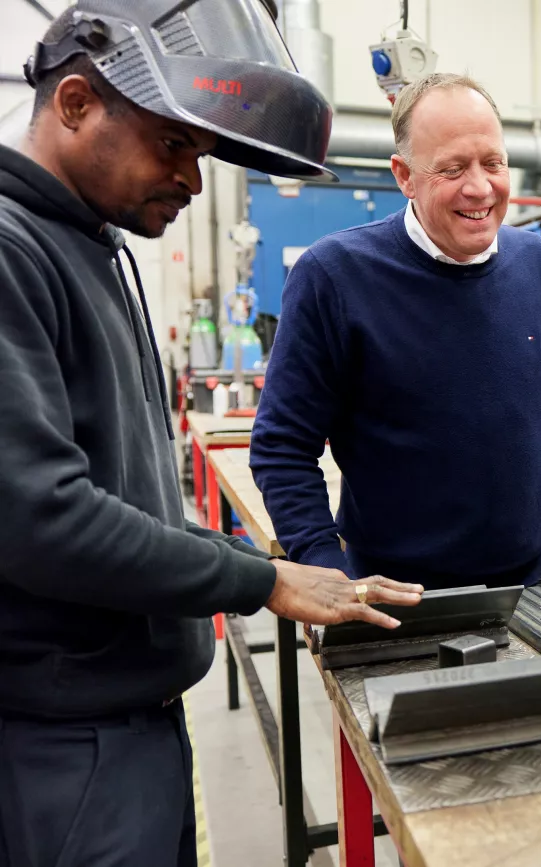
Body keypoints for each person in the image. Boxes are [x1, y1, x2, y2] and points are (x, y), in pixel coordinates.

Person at [0, 5, 423, 867]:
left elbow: (121, 492)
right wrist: (257, 577)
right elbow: (38, 516)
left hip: (121, 726)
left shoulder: (86, 243)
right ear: (76, 102)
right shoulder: (13, 252)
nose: (194, 180)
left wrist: (241, 563)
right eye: (174, 145)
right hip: (63, 744)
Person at [250, 72, 541, 591]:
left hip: (527, 586)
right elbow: (282, 445)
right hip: (391, 596)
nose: (480, 187)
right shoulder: (334, 276)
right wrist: (323, 566)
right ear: (404, 176)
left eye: (493, 163)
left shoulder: (538, 264)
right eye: (452, 169)